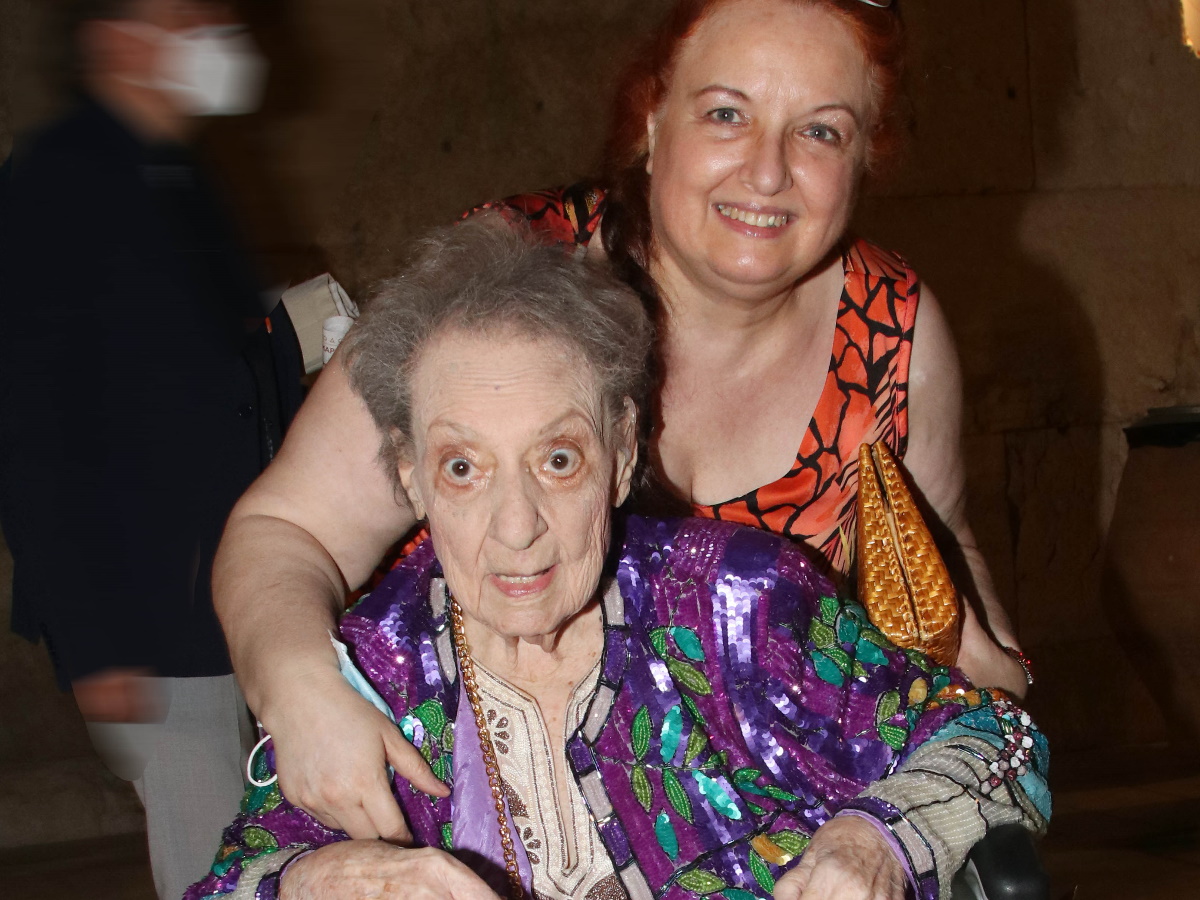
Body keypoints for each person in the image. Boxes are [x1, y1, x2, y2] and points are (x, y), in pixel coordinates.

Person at [211, 0, 1031, 846]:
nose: (767, 173)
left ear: (866, 156)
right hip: (489, 818)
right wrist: (302, 690)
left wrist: (984, 696)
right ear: (652, 117)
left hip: (766, 846)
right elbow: (284, 530)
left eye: (820, 132)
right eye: (726, 115)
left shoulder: (893, 332)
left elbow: (937, 564)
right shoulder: (500, 283)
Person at [186, 221, 1048, 900]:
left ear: (623, 453)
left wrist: (874, 840)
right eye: (463, 468)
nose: (516, 528)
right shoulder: (380, 667)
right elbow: (230, 877)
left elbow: (993, 735)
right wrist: (317, 880)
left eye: (559, 459)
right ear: (410, 475)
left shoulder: (735, 606)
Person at [0, 2, 299, 897]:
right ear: (114, 36)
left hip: (233, 586)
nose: (214, 33)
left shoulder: (180, 175)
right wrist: (98, 644)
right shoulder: (56, 180)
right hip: (149, 617)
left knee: (272, 843)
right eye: (184, 17)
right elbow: (32, 429)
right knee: (212, 861)